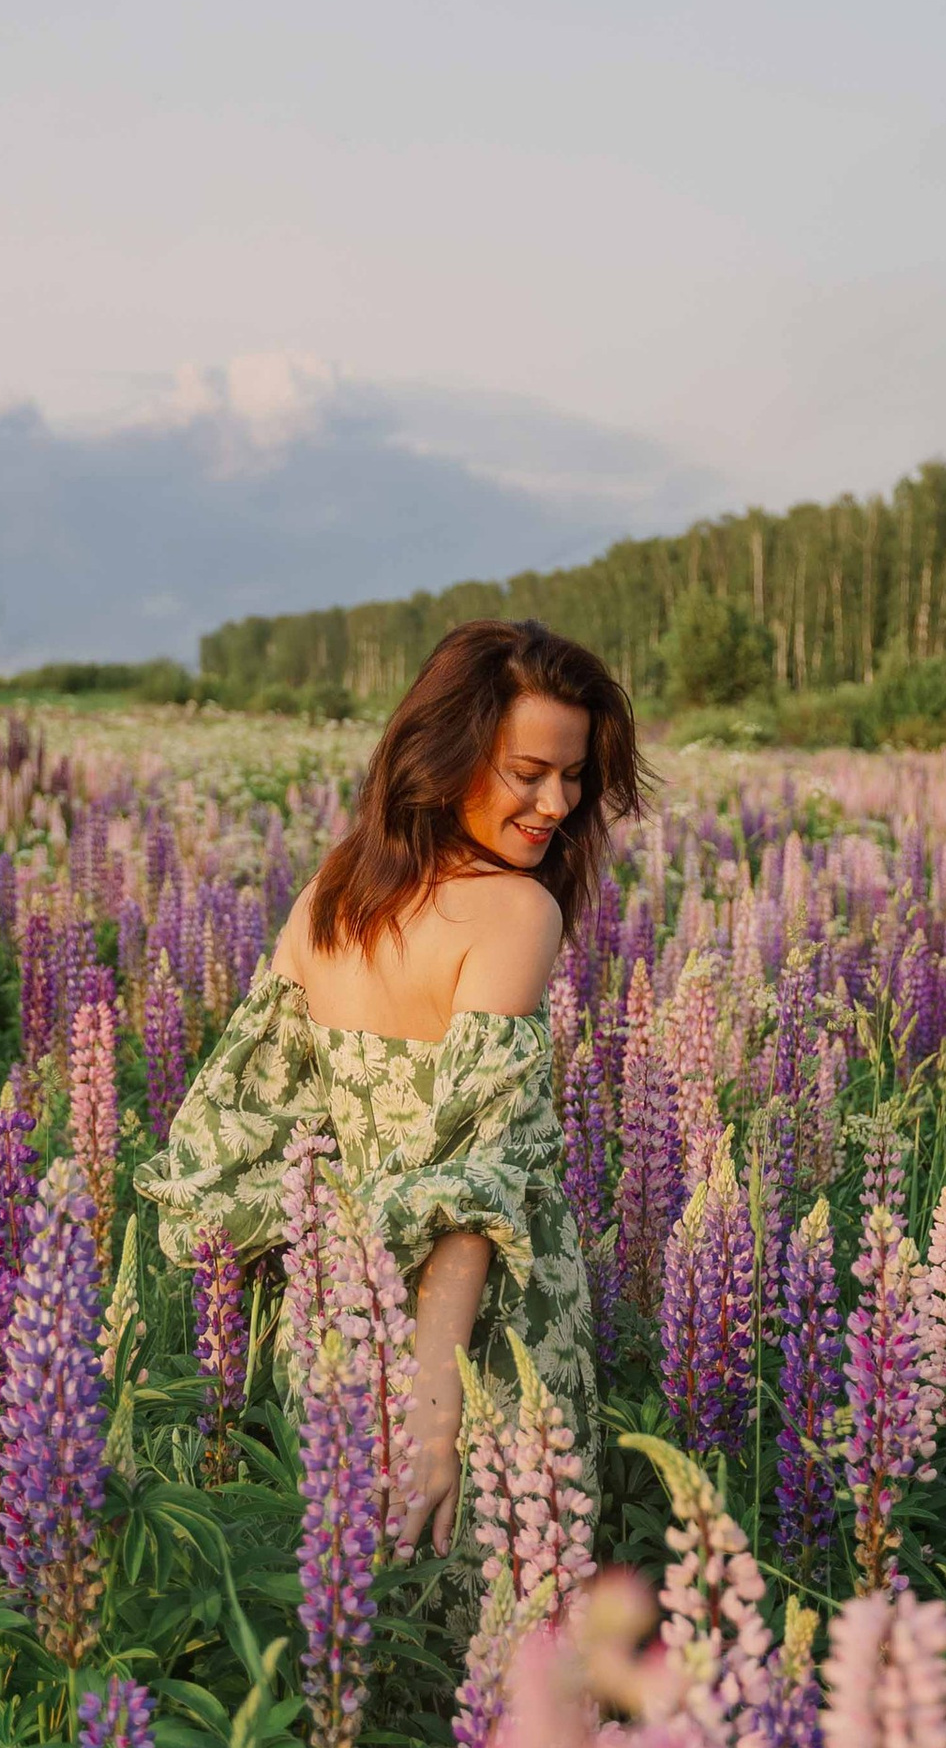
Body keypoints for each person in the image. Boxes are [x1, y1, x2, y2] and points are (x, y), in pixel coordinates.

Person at [138, 617, 641, 1554]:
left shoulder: (331, 895)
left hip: (335, 1329)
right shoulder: (516, 913)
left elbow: (242, 1129)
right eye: (527, 772)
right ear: (450, 756)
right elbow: (471, 1185)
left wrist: (322, 1269)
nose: (557, 803)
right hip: (485, 1344)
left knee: (347, 1611)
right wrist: (437, 1415)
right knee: (506, 1609)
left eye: (574, 776)